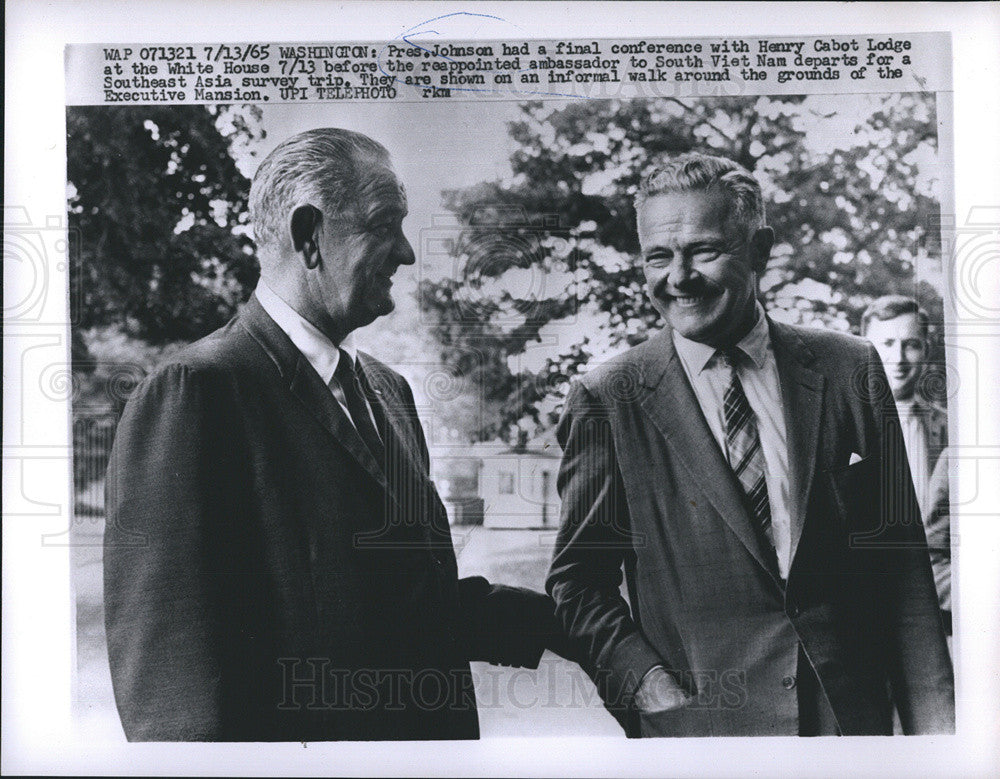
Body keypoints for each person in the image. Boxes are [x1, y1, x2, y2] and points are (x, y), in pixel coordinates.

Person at [104, 128, 567, 741]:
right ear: (308, 235)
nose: (406, 253)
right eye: (384, 224)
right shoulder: (197, 392)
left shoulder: (389, 392)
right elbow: (174, 689)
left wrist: (568, 624)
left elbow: (411, 605)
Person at [546, 152, 954, 737]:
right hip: (702, 737)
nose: (677, 277)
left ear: (759, 250)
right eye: (657, 256)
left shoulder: (850, 369)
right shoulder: (607, 398)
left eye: (704, 251)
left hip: (849, 730)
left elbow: (901, 571)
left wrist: (934, 739)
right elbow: (577, 584)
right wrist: (651, 689)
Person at [862, 295, 951, 637]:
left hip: (936, 606)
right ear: (862, 347)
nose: (897, 359)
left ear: (926, 351)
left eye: (910, 345)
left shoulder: (953, 431)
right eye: (885, 343)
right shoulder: (834, 425)